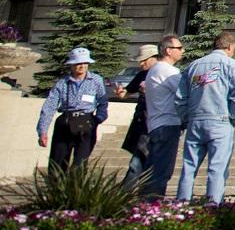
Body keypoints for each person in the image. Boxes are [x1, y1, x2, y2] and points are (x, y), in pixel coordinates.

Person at [175, 31, 235, 204]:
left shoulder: (193, 65)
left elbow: (180, 98)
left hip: (195, 120)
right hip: (220, 120)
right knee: (217, 167)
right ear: (230, 47)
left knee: (189, 167)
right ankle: (213, 206)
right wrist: (233, 118)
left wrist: (186, 118)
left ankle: (181, 204)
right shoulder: (232, 65)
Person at [36, 46, 109, 170]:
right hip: (65, 121)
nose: (81, 66)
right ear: (71, 65)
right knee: (57, 164)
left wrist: (98, 119)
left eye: (84, 63)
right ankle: (56, 188)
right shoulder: (62, 83)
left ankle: (76, 188)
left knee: (80, 164)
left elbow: (103, 102)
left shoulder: (96, 80)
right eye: (78, 63)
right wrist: (43, 131)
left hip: (86, 122)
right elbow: (50, 106)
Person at [142, 35, 186, 197]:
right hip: (167, 125)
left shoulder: (156, 69)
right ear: (168, 50)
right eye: (179, 48)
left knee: (153, 169)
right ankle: (151, 207)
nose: (183, 51)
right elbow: (184, 92)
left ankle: (145, 205)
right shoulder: (167, 71)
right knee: (161, 171)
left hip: (157, 124)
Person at [114, 43, 158, 189]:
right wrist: (121, 93)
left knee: (138, 160)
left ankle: (126, 190)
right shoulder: (141, 74)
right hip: (140, 121)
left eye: (144, 60)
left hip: (153, 123)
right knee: (139, 157)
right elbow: (127, 92)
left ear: (154, 58)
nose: (141, 63)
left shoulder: (161, 73)